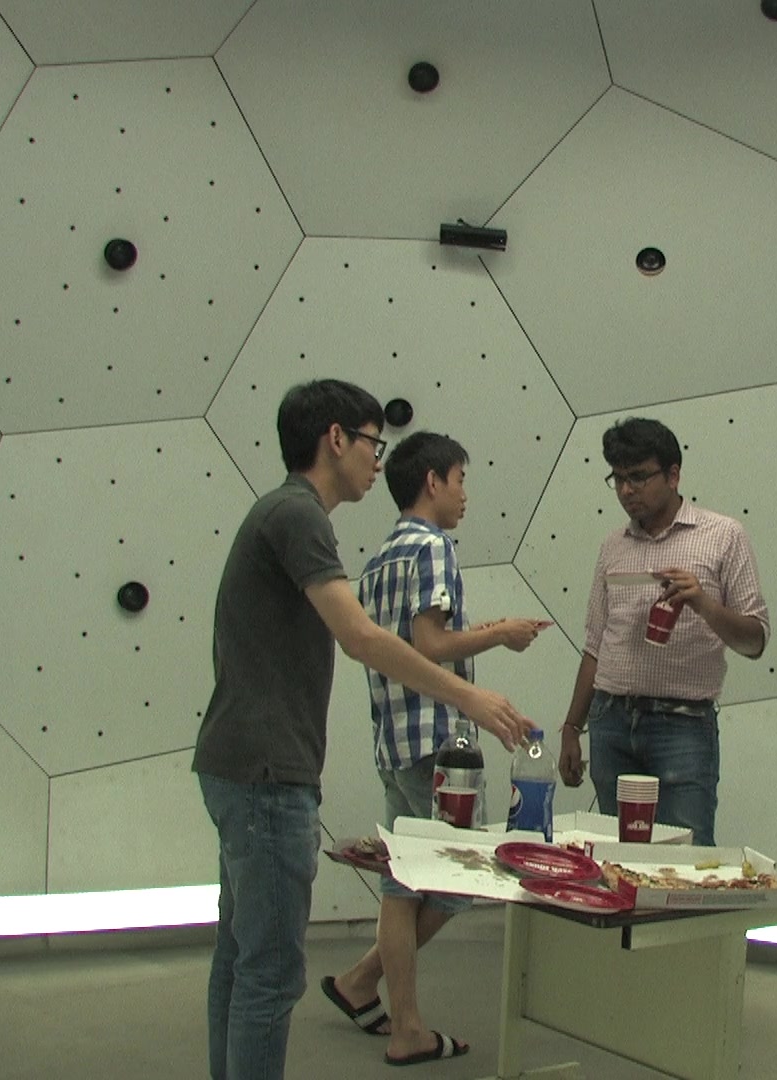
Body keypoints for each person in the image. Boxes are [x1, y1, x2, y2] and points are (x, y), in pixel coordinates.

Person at [191, 381, 528, 1080]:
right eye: (373, 443)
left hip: (244, 764)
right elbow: (364, 638)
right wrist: (471, 695)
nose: (379, 461)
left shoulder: (307, 524)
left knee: (242, 959)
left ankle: (373, 999)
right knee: (270, 973)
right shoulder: (298, 515)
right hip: (267, 774)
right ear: (336, 438)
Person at [320, 432, 549, 1066]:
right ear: (433, 481)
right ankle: (386, 1006)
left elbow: (401, 644)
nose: (465, 494)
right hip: (439, 744)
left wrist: (488, 631)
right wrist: (501, 634)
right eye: (460, 479)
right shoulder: (435, 548)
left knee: (402, 880)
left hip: (393, 739)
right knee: (456, 881)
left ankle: (378, 1000)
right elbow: (431, 645)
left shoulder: (379, 559)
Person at [556, 417, 769, 846]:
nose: (626, 491)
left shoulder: (723, 536)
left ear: (673, 475)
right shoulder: (613, 546)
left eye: (638, 477)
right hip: (611, 720)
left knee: (686, 857)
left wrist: (703, 603)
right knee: (617, 857)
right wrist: (571, 729)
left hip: (682, 725)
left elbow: (755, 640)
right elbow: (595, 645)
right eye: (617, 479)